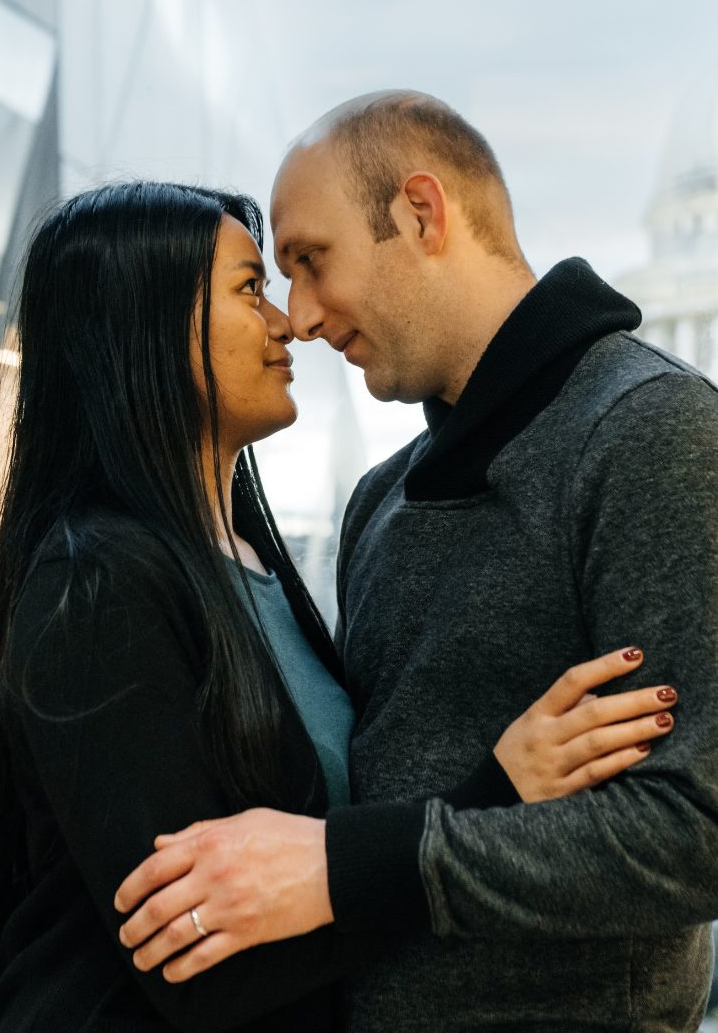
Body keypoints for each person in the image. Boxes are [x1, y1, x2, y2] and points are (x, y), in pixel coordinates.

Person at [0, 179, 675, 1033]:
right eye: (249, 288)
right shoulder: (98, 586)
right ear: (141, 327)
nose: (288, 322)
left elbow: (308, 865)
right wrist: (497, 790)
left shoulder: (252, 567)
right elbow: (205, 967)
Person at [113, 94, 718, 1033]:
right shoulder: (379, 498)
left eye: (313, 262)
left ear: (422, 213)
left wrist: (344, 868)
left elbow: (698, 836)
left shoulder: (654, 433)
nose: (301, 318)